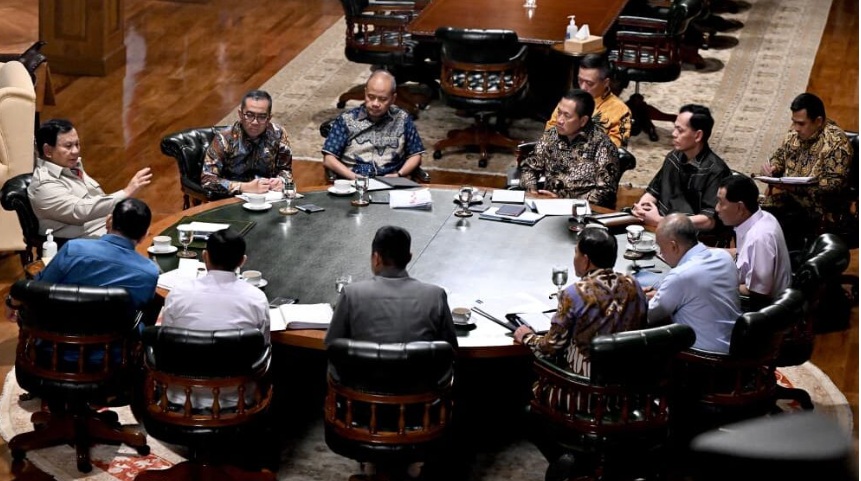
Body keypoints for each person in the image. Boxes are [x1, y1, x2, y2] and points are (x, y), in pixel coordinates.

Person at [513, 227, 648, 378]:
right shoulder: (633, 284)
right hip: (628, 386)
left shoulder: (575, 293)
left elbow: (552, 346)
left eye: (576, 252)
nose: (574, 257)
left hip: (583, 389)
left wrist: (527, 337)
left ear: (585, 260)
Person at [160, 229, 270, 409]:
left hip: (180, 392)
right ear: (242, 261)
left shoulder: (177, 293)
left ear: (205, 256)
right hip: (237, 395)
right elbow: (263, 346)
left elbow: (166, 341)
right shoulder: (256, 298)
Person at [324, 225, 457, 348]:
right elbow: (450, 349)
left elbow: (332, 345)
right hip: (420, 373)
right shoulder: (436, 296)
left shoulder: (350, 294)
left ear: (376, 258)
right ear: (409, 257)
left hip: (362, 373)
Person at [28, 119, 152, 239]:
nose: (75, 151)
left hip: (107, 229)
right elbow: (80, 211)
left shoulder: (71, 167)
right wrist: (126, 192)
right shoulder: (44, 185)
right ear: (48, 151)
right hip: (81, 245)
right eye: (68, 146)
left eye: (77, 144)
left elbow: (96, 197)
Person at [759, 92, 852, 243]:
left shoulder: (837, 143)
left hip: (818, 210)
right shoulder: (795, 133)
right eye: (794, 122)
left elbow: (832, 186)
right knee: (749, 210)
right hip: (790, 200)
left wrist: (793, 188)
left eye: (801, 123)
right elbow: (780, 155)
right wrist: (773, 168)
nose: (795, 128)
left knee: (772, 228)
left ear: (818, 121)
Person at [36, 198, 158, 311]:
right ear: (144, 236)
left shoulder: (72, 249)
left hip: (56, 329)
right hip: (115, 333)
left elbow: (40, 287)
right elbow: (142, 307)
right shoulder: (149, 273)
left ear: (109, 221)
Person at [646, 214, 740, 353]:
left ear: (673, 246)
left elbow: (650, 316)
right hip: (736, 346)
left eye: (661, 247)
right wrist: (662, 295)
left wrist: (637, 296)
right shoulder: (724, 257)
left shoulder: (680, 276)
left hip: (702, 358)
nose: (661, 253)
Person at [632, 104, 732, 231]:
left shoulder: (716, 171)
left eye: (680, 130)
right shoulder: (673, 156)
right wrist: (642, 207)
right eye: (675, 128)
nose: (674, 134)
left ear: (698, 136)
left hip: (688, 236)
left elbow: (708, 220)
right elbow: (653, 191)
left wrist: (662, 221)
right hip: (660, 225)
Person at [519, 89, 621, 208]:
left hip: (582, 214)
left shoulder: (603, 145)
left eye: (567, 116)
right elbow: (529, 168)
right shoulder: (551, 135)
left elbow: (605, 193)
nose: (559, 120)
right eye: (559, 113)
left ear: (583, 121)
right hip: (546, 206)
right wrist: (533, 191)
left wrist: (565, 202)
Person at [322, 70, 426, 180]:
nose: (375, 104)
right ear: (365, 93)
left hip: (392, 182)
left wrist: (398, 175)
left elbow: (416, 155)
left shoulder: (403, 119)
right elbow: (329, 159)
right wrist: (354, 178)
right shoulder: (346, 120)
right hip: (354, 181)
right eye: (371, 97)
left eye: (382, 99)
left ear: (393, 98)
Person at [200, 89, 293, 196]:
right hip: (231, 199)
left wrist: (282, 182)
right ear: (240, 114)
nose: (255, 122)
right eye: (249, 115)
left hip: (269, 196)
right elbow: (207, 180)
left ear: (269, 118)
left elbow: (286, 171)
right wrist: (243, 187)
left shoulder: (279, 134)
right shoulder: (224, 138)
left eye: (262, 117)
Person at [715, 175, 792, 301]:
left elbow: (757, 292)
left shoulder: (760, 238)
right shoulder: (762, 217)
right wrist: (705, 251)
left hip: (761, 311)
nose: (717, 208)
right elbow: (744, 255)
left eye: (721, 203)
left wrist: (718, 285)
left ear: (740, 207)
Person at [544, 54, 632, 148]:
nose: (583, 87)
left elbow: (615, 151)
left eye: (589, 83)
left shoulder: (621, 111)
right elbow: (549, 131)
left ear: (606, 82)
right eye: (580, 80)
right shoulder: (569, 100)